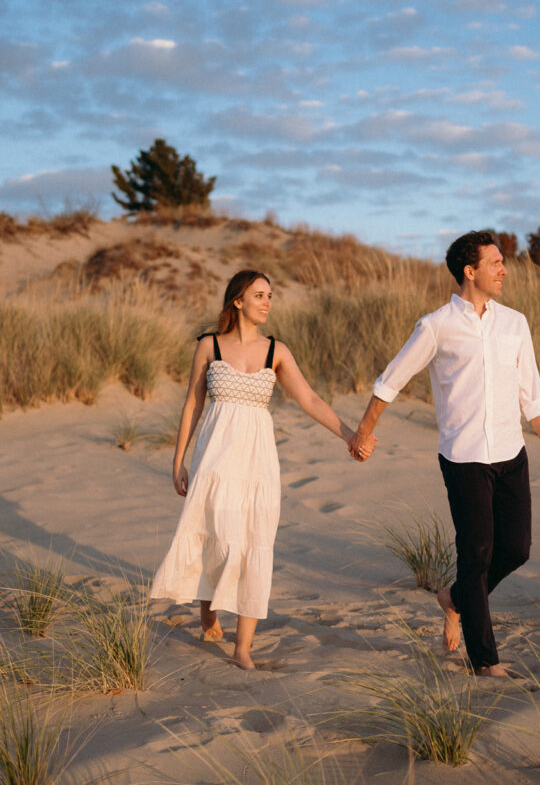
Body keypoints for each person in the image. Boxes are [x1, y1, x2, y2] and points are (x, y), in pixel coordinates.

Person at [348, 231, 540, 677]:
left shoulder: (515, 323)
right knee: (476, 554)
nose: (504, 270)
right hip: (463, 458)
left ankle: (456, 599)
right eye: (496, 263)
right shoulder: (436, 325)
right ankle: (485, 661)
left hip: (510, 452)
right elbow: (392, 379)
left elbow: (532, 391)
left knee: (517, 549)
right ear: (471, 271)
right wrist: (364, 432)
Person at [150, 269, 374, 669]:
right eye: (259, 295)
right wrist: (178, 459)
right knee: (216, 533)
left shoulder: (277, 351)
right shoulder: (208, 346)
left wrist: (351, 435)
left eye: (270, 295)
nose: (267, 302)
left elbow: (310, 400)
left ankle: (243, 648)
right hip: (214, 457)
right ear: (237, 301)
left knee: (253, 540)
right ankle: (209, 607)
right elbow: (192, 404)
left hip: (257, 462)